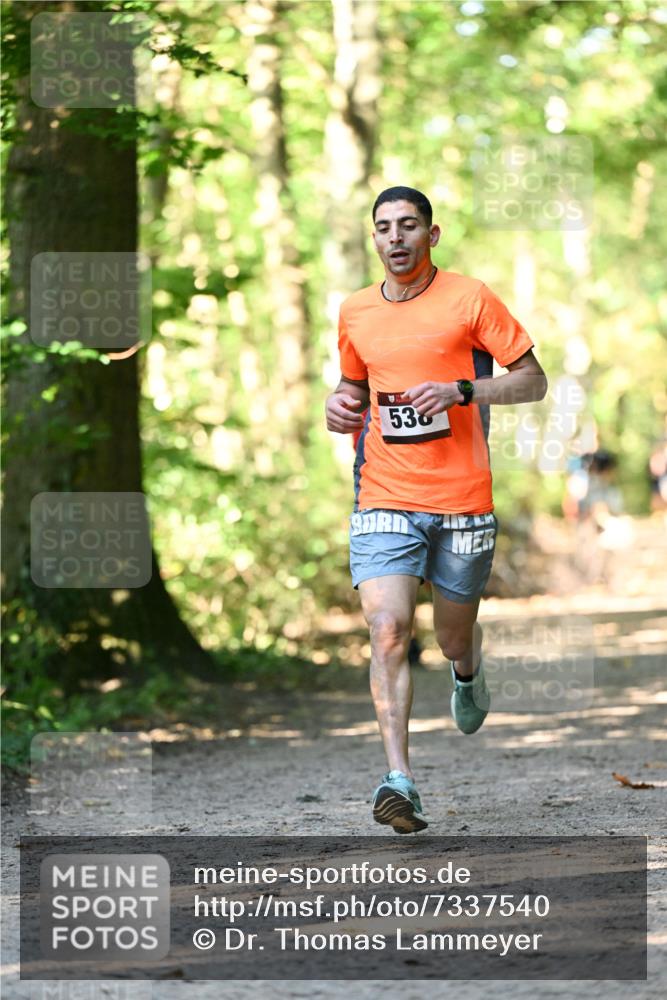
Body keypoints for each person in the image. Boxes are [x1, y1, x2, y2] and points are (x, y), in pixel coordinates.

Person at [325, 186, 548, 834]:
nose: (394, 238)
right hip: (384, 495)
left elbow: (531, 379)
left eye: (408, 226)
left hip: (461, 501)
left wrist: (460, 389)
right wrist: (337, 406)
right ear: (373, 238)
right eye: (383, 228)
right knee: (388, 628)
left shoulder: (469, 298)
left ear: (432, 234)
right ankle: (400, 780)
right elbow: (351, 385)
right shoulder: (355, 310)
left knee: (451, 636)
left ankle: (466, 666)